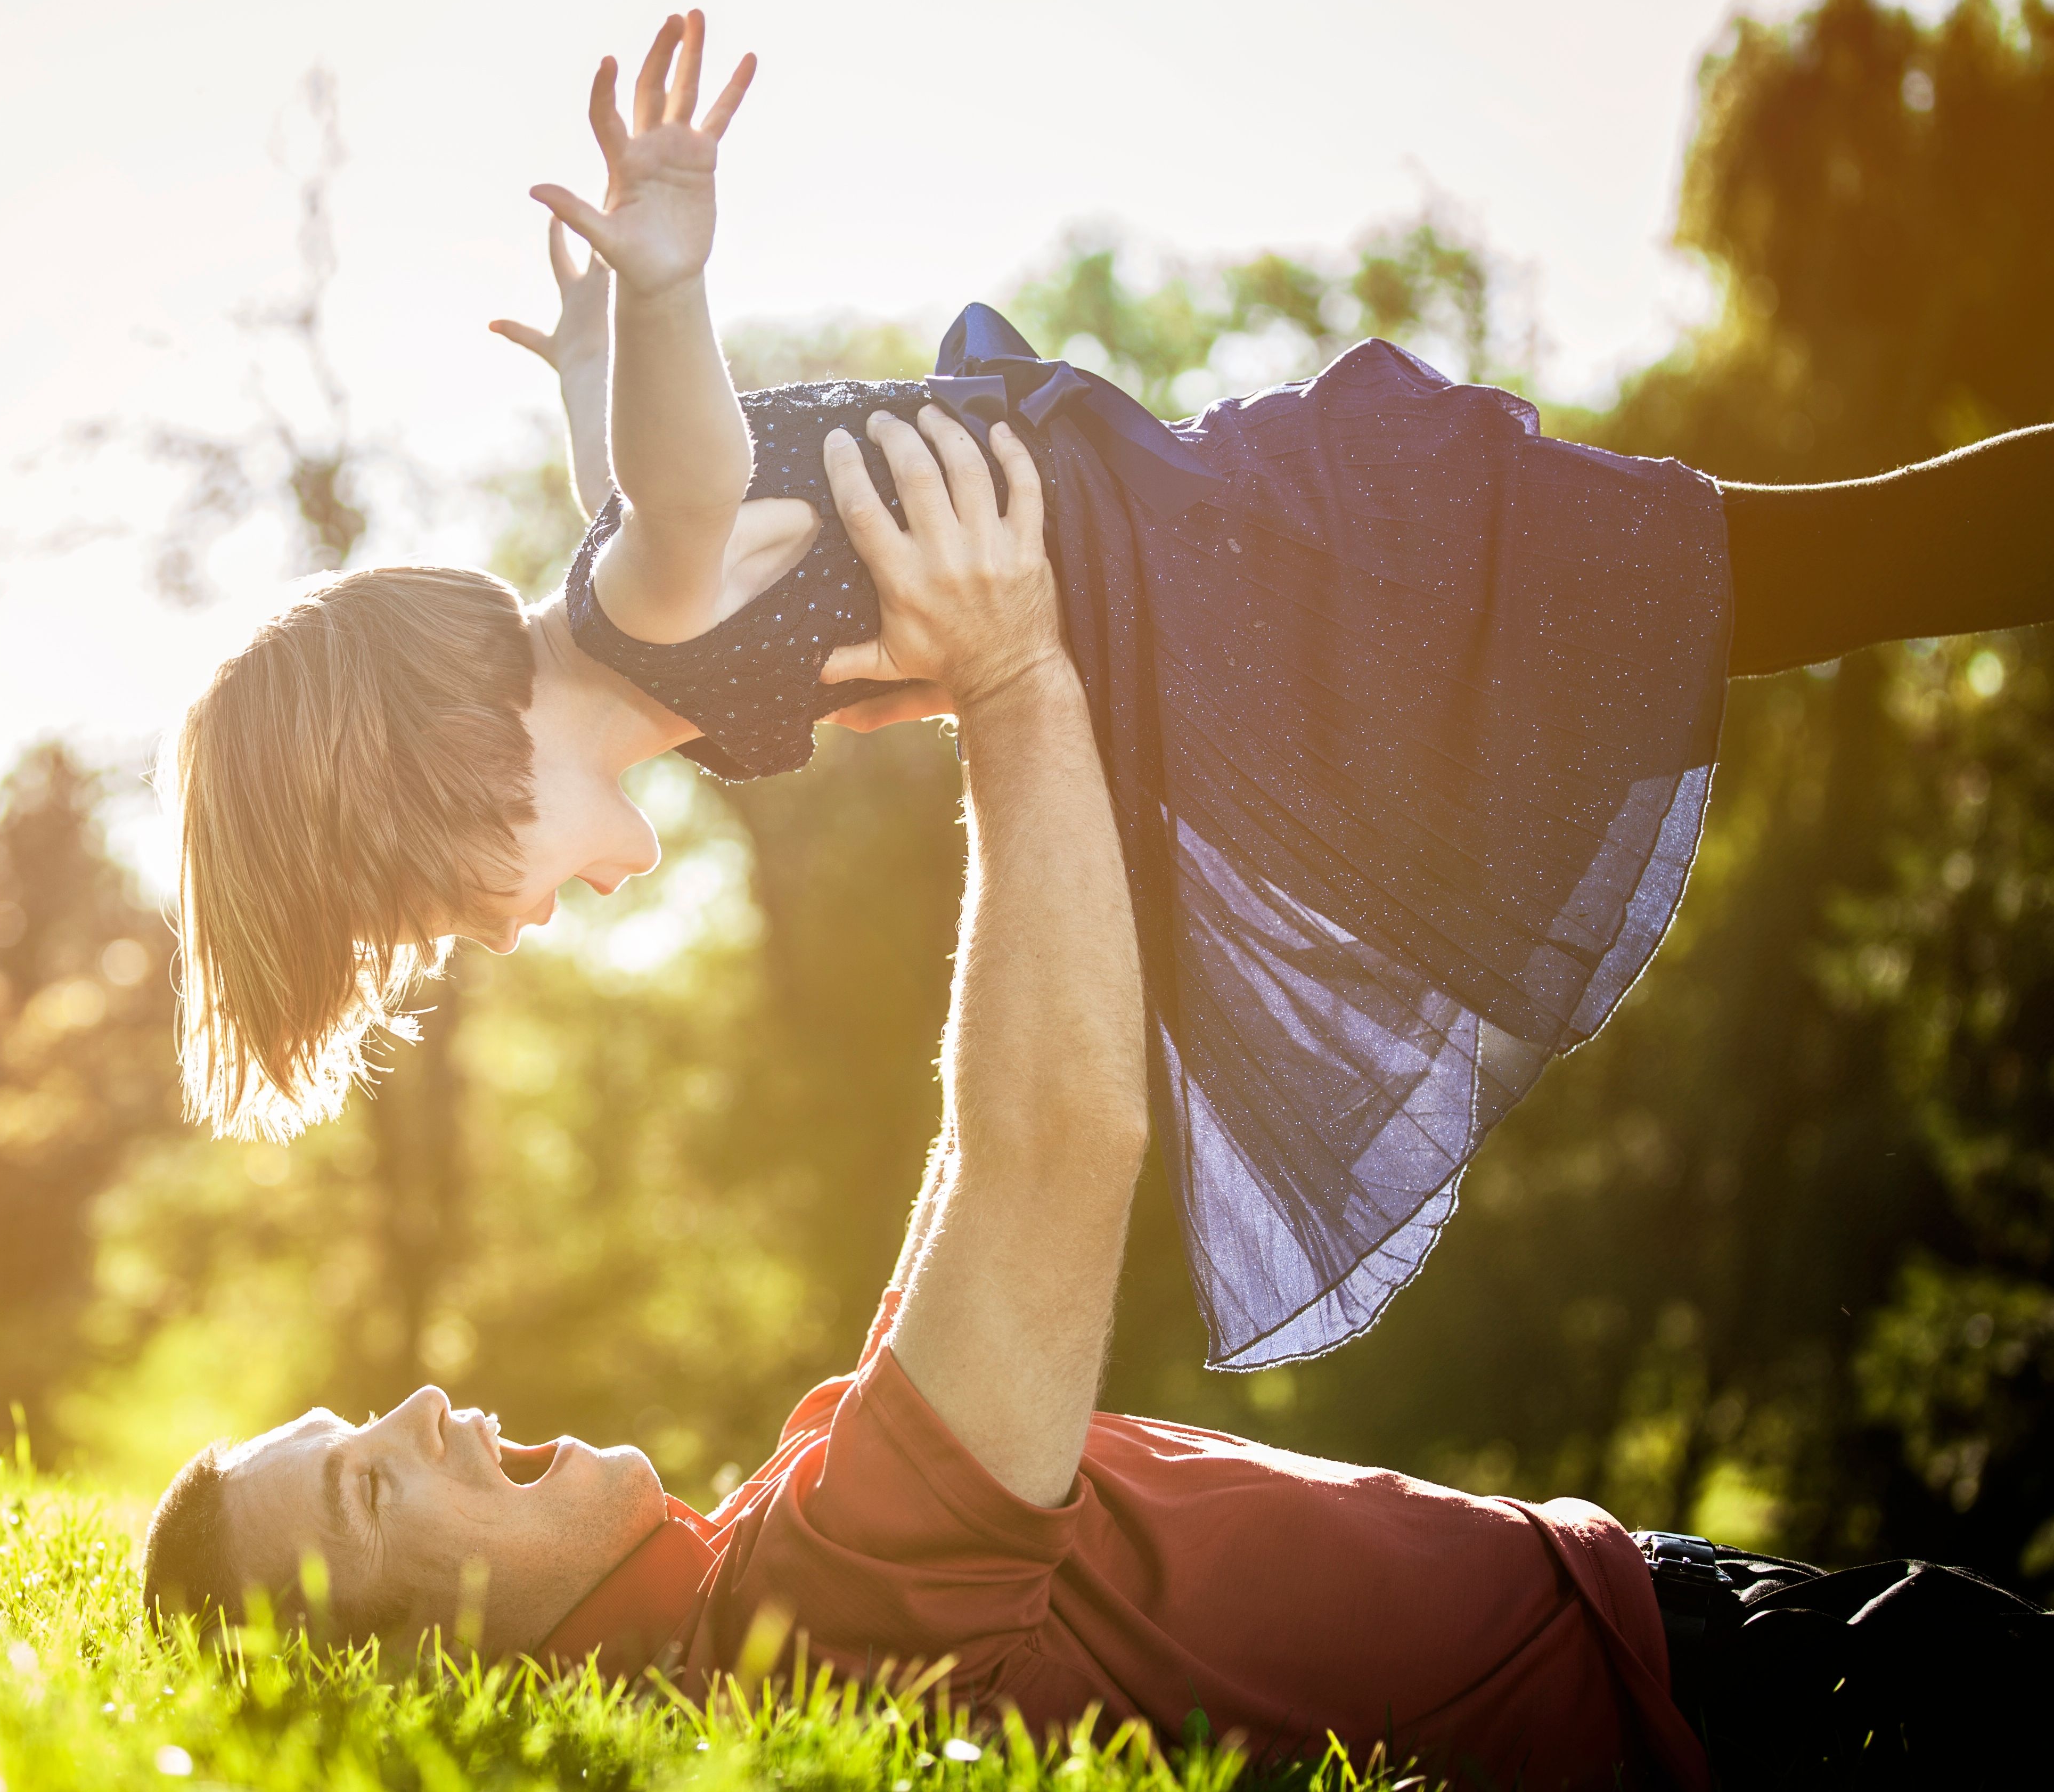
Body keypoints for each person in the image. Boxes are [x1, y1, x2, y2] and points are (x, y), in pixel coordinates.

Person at [142, 416, 2051, 1788]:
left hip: (1694, 1633)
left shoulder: (774, 1561)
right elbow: (1047, 1148)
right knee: (1809, 561)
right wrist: (1017, 673)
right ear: (440, 1670)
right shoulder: (811, 1631)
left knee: (1825, 557)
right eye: (376, 1485)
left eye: (365, 1424)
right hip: (1759, 1714)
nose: (421, 1411)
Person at [167, 9, 2054, 1369]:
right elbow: (629, 475)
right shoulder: (640, 597)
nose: (489, 939)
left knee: (1820, 572)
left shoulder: (657, 589)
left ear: (454, 770)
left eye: (438, 907)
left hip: (1297, 570)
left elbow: (667, 477)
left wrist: (658, 286)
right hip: (1266, 608)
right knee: (1820, 579)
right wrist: (589, 353)